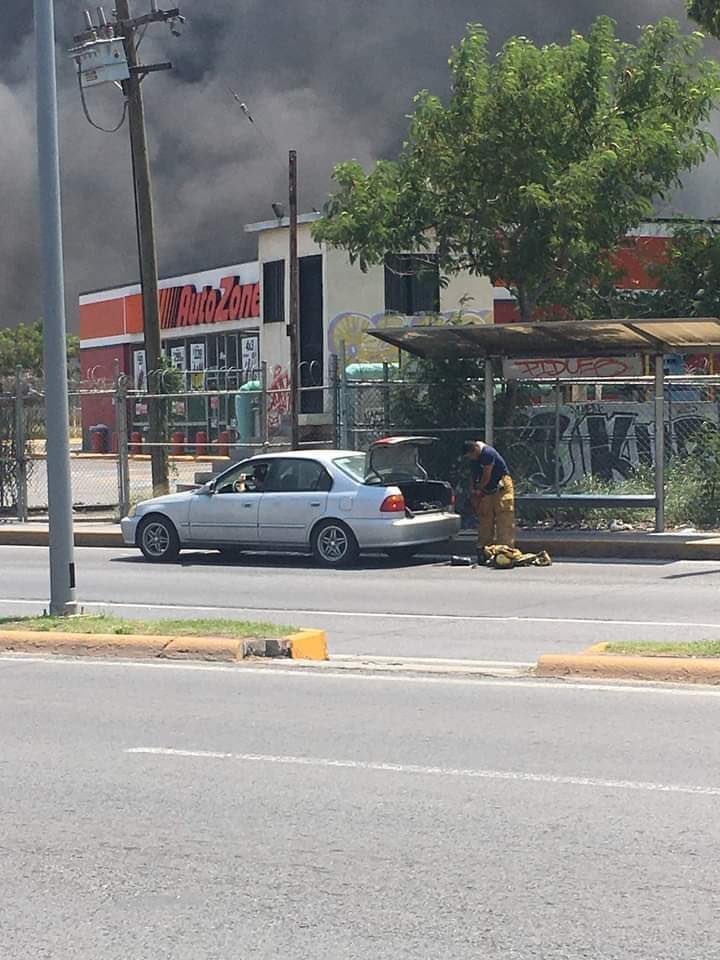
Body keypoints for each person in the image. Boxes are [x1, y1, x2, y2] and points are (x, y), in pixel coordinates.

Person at [463, 439, 515, 555]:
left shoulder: (488, 453)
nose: (472, 458)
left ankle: (505, 550)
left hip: (501, 485)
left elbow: (487, 475)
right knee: (485, 516)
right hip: (486, 487)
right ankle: (485, 549)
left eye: (472, 455)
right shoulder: (473, 459)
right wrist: (473, 491)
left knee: (504, 516)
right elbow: (473, 476)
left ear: (476, 449)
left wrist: (479, 490)